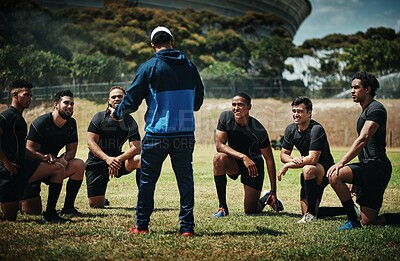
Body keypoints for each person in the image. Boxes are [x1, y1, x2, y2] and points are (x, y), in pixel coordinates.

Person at [110, 26, 204, 236]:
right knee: (185, 181)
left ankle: (141, 226)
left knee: (147, 181)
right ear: (172, 41)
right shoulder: (189, 65)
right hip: (184, 133)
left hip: (157, 135)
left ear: (153, 44)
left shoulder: (149, 67)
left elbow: (132, 100)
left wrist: (117, 113)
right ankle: (187, 228)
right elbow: (198, 100)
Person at [327, 71, 400, 230]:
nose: (352, 91)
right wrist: (356, 178)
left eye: (356, 87)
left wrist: (342, 162)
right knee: (369, 221)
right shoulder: (366, 110)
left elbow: (363, 138)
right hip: (369, 167)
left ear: (367, 89)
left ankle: (352, 221)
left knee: (334, 176)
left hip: (376, 167)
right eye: (351, 88)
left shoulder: (376, 109)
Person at [0, 80, 65, 222]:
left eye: (31, 95)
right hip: (7, 172)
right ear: (15, 95)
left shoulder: (19, 118)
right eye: (26, 95)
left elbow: (21, 149)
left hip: (19, 168)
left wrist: (41, 157)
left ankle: (51, 214)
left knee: (57, 168)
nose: (30, 98)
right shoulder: (7, 116)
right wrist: (6, 164)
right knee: (9, 219)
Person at [212, 93, 281, 217]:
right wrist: (243, 157)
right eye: (234, 104)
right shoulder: (225, 117)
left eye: (240, 105)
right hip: (235, 162)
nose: (236, 108)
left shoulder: (258, 130)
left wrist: (273, 191)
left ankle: (266, 199)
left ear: (249, 107)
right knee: (218, 158)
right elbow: (220, 145)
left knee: (250, 210)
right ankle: (222, 207)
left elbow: (269, 160)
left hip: (253, 166)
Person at [20, 90, 85, 218]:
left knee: (78, 164)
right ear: (56, 104)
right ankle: (16, 199)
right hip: (33, 168)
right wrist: (46, 159)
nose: (70, 106)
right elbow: (29, 151)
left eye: (72, 104)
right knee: (32, 211)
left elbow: (72, 150)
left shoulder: (71, 123)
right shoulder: (41, 122)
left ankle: (67, 208)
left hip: (54, 166)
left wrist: (62, 159)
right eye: (66, 103)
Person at [279, 97, 337, 223]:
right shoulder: (290, 129)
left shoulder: (316, 129)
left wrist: (287, 165)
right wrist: (294, 160)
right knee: (306, 210)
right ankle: (349, 210)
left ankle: (310, 215)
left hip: (325, 169)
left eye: (299, 111)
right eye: (294, 111)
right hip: (308, 171)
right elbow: (283, 154)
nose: (295, 114)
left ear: (309, 112)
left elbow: (313, 158)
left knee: (308, 169)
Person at [86, 86, 141, 208]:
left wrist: (117, 159)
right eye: (114, 97)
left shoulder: (130, 121)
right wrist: (107, 159)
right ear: (109, 100)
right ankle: (102, 199)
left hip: (118, 161)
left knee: (140, 160)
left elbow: (136, 147)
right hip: (97, 162)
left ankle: (143, 199)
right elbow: (91, 143)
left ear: (125, 99)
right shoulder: (99, 117)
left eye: (120, 96)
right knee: (95, 205)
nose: (117, 99)